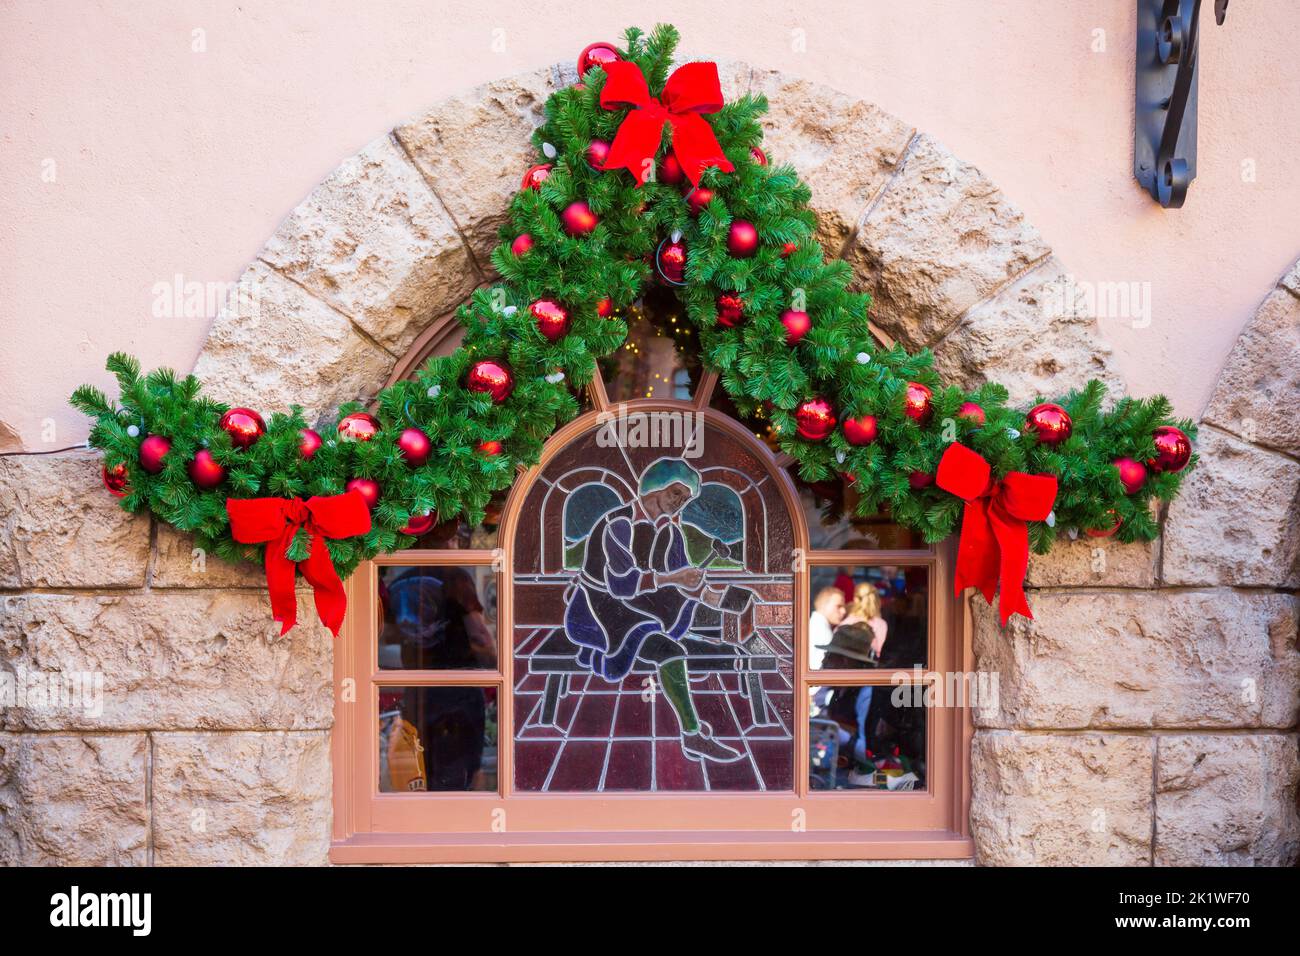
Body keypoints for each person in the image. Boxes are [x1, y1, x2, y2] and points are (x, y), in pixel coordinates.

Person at [563, 457, 745, 764]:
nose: (679, 503)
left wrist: (714, 597)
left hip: (632, 608)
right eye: (676, 493)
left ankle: (613, 654)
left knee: (671, 622)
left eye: (685, 499)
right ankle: (693, 734)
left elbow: (683, 577)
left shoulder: (671, 532)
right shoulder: (617, 524)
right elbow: (622, 585)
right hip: (596, 610)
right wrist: (675, 578)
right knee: (668, 648)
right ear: (654, 487)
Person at [808, 586, 846, 670]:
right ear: (823, 605)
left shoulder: (815, 625)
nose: (844, 611)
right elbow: (821, 671)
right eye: (838, 606)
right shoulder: (823, 632)